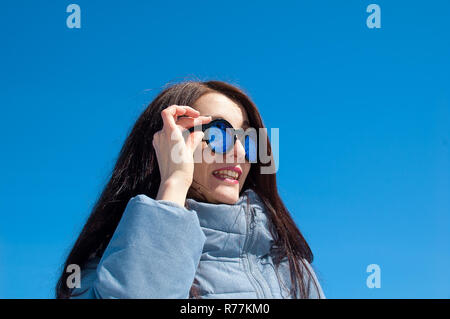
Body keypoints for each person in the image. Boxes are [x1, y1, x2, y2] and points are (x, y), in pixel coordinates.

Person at [55, 80, 325, 299]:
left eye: (247, 138)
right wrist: (173, 184)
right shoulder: (104, 268)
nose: (240, 152)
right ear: (164, 145)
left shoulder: (292, 270)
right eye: (218, 135)